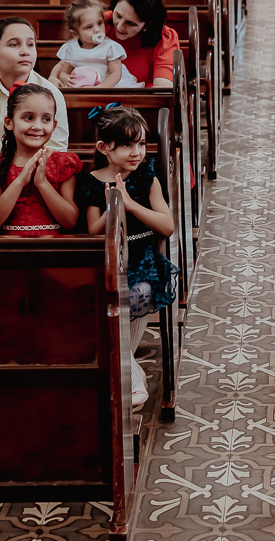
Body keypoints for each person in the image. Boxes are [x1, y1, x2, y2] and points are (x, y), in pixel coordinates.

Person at [76, 105, 177, 408]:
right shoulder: (92, 181)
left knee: (139, 293)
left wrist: (131, 205)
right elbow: (93, 230)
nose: (137, 152)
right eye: (128, 145)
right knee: (101, 302)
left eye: (141, 143)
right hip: (109, 259)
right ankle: (132, 372)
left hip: (142, 256)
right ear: (104, 148)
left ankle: (127, 373)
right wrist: (113, 206)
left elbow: (167, 226)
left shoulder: (147, 176)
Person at [0, 83, 80, 237]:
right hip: (10, 247)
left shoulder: (64, 163)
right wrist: (20, 181)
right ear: (9, 122)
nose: (37, 126)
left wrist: (42, 183)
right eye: (28, 118)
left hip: (52, 246)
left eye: (46, 119)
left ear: (54, 125)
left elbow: (70, 221)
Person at [0, 17, 69, 153]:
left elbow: (57, 147)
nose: (25, 51)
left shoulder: (52, 93)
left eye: (30, 44)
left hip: (41, 162)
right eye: (14, 45)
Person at [105, 0, 181, 89]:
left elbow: (162, 89)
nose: (120, 27)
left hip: (144, 98)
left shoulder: (164, 37)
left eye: (131, 23)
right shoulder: (100, 23)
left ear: (147, 24)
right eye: (117, 15)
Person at [51, 0, 140, 88]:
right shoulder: (72, 48)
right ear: (75, 34)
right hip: (82, 87)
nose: (97, 30)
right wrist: (64, 77)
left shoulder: (110, 47)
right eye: (89, 27)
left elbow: (116, 74)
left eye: (100, 23)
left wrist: (98, 89)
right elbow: (64, 71)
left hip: (108, 86)